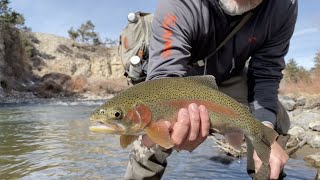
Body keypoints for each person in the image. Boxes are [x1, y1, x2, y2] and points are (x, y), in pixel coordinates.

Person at [124, 0, 298, 179]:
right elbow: (165, 76)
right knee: (156, 125)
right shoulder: (177, 3)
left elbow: (266, 74)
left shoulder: (283, 6)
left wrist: (264, 128)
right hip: (180, 76)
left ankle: (267, 172)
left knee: (274, 118)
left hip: (229, 75)